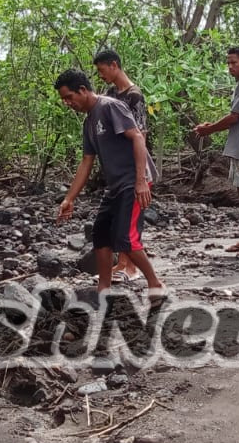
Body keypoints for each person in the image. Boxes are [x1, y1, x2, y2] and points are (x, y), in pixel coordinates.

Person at [53, 69, 166, 303]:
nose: (67, 103)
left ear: (83, 90)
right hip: (115, 185)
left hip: (133, 182)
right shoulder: (88, 123)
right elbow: (86, 162)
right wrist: (70, 198)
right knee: (101, 234)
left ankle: (155, 284)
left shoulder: (110, 107)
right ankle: (103, 289)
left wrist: (141, 181)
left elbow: (137, 137)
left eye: (69, 97)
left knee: (127, 239)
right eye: (64, 100)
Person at [194, 46, 239, 257]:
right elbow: (235, 116)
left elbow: (235, 117)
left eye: (234, 63)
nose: (230, 67)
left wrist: (209, 129)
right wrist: (212, 125)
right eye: (228, 63)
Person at [93, 49, 151, 283]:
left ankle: (131, 267)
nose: (101, 75)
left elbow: (141, 134)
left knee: (129, 222)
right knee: (118, 219)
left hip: (132, 166)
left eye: (102, 70)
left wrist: (141, 176)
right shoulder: (110, 94)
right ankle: (122, 263)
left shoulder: (134, 96)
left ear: (114, 65)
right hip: (117, 167)